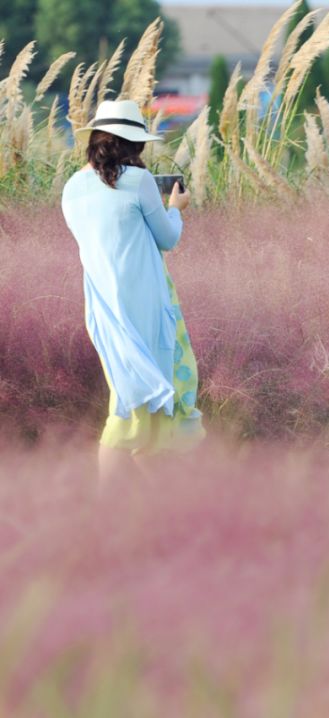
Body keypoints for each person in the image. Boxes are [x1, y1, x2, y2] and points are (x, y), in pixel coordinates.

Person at [61, 100, 204, 481]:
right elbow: (168, 238)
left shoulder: (72, 187)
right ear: (132, 144)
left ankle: (135, 501)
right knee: (140, 403)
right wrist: (175, 207)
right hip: (144, 304)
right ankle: (126, 503)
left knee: (127, 398)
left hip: (105, 307)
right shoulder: (139, 181)